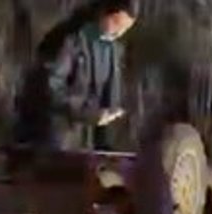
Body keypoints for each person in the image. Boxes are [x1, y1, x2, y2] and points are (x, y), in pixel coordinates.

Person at [11, 0, 136, 151]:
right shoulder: (68, 39)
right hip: (52, 131)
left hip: (85, 137)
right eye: (116, 23)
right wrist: (84, 112)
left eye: (125, 29)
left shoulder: (112, 49)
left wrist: (106, 128)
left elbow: (107, 96)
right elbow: (50, 87)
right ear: (102, 13)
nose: (118, 32)